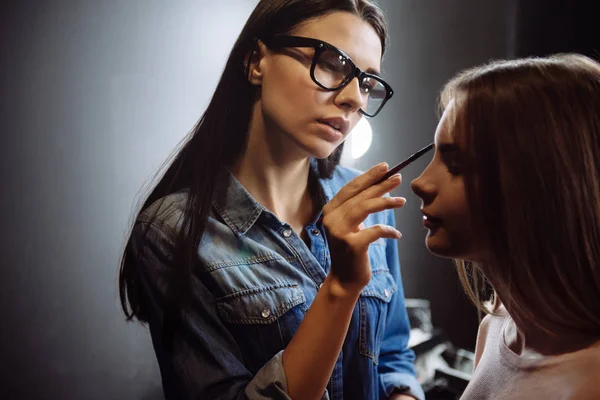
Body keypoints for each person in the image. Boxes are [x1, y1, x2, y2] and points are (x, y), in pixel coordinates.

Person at [118, 1, 424, 399]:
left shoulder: (364, 204)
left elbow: (391, 356)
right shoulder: (174, 233)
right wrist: (341, 286)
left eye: (366, 82)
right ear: (256, 61)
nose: (354, 99)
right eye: (331, 63)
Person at [410, 53, 600, 399]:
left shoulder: (588, 384)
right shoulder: (497, 327)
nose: (420, 183)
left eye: (455, 164)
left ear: (536, 182)